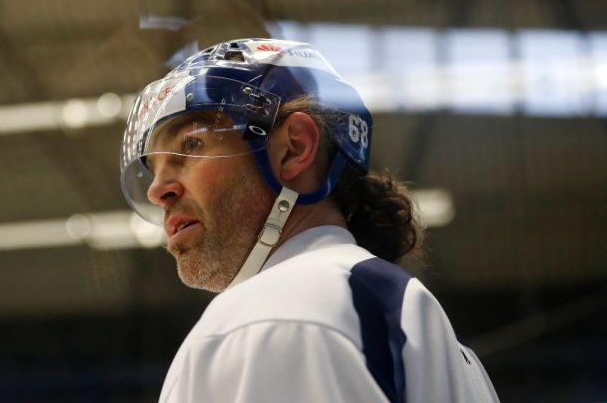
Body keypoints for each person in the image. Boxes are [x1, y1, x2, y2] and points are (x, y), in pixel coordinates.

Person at [120, 38, 499, 403]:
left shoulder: (276, 313)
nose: (157, 190)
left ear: (294, 149)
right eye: (152, 169)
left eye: (191, 145)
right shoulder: (430, 333)